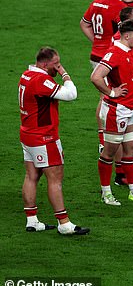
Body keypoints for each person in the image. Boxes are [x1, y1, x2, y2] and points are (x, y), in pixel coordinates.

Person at [19, 47, 90, 235]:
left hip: (27, 134)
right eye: (55, 65)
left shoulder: (26, 75)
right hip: (44, 137)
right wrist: (65, 74)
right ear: (43, 64)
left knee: (31, 176)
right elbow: (71, 94)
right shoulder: (40, 79)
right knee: (55, 178)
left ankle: (32, 220)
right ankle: (64, 223)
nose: (58, 68)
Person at [91, 19, 133, 205]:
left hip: (132, 108)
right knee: (109, 153)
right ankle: (106, 192)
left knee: (130, 149)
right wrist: (111, 92)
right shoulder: (114, 53)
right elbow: (95, 76)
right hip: (117, 110)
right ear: (127, 36)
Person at [80, 0, 129, 154]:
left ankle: (110, 138)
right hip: (109, 59)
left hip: (96, 55)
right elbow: (125, 34)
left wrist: (97, 41)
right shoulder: (118, 6)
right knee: (108, 97)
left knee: (105, 97)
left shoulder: (96, 2)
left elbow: (83, 23)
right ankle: (106, 140)